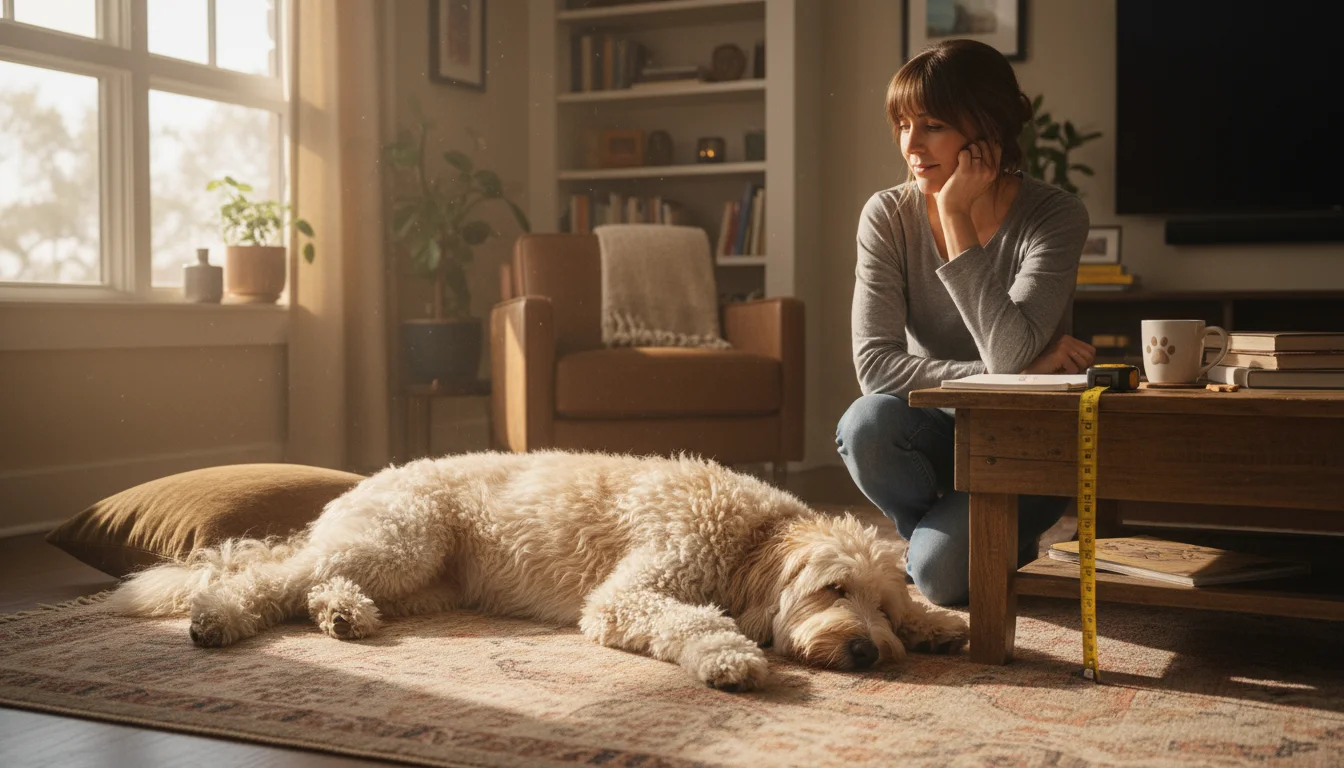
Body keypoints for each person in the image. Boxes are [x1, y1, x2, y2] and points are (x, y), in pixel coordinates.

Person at [835, 39, 1096, 606]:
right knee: (867, 424)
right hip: (935, 438)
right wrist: (1017, 372)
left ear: (986, 128)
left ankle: (969, 539)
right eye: (903, 125)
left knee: (939, 581)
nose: (910, 145)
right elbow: (874, 367)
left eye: (931, 125)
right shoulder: (887, 215)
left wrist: (954, 216)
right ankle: (945, 533)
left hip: (1024, 446)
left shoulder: (1055, 216)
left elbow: (1006, 353)